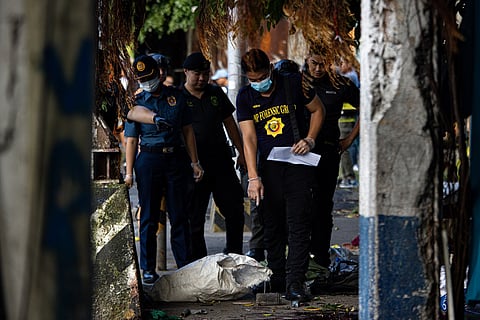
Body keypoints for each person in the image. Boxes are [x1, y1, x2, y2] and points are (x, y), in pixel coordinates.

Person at [236, 48, 325, 302]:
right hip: (268, 168)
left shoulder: (293, 84)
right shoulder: (245, 97)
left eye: (261, 77)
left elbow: (318, 111)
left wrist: (310, 138)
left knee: (298, 224)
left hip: (298, 164)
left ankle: (295, 282)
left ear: (271, 70)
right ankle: (277, 277)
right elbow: (249, 138)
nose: (257, 83)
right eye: (252, 79)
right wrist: (253, 178)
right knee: (271, 225)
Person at [124, 54, 204, 284]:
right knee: (148, 217)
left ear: (159, 74)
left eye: (149, 77)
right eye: (142, 78)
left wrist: (194, 161)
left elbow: (188, 131)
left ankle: (184, 267)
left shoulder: (176, 97)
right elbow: (131, 139)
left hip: (175, 159)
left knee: (179, 215)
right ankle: (147, 268)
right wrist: (129, 172)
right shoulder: (136, 102)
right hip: (148, 160)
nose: (146, 82)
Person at [182, 52, 246, 260]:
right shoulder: (177, 97)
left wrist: (241, 152)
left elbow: (230, 123)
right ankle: (198, 261)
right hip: (193, 165)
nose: (201, 78)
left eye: (205, 74)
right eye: (197, 74)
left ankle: (234, 253)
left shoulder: (215, 93)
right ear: (186, 72)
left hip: (221, 161)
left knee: (235, 209)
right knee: (194, 217)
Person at [303, 51, 360, 273]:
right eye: (314, 63)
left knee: (323, 207)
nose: (318, 69)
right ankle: (298, 255)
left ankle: (320, 256)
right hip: (299, 153)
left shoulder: (341, 83)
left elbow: (366, 107)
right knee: (300, 206)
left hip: (327, 150)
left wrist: (349, 139)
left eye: (323, 64)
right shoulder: (297, 82)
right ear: (307, 59)